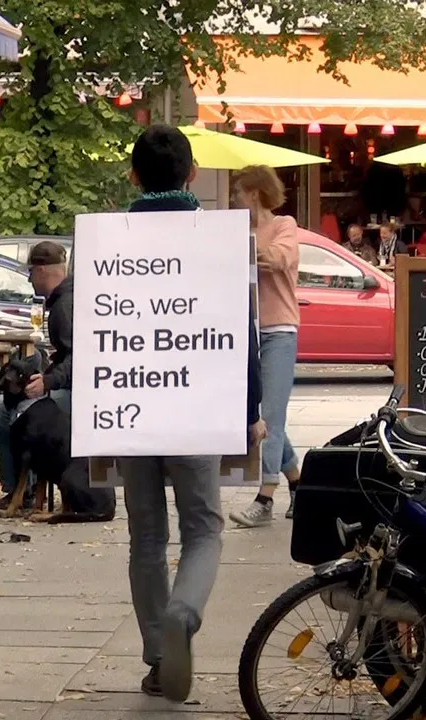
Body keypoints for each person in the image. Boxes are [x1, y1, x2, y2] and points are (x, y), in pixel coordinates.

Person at [121, 125, 265, 703]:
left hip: (131, 404)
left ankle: (159, 657)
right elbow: (243, 330)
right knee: (203, 527)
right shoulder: (220, 241)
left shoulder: (114, 241)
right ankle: (185, 611)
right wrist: (250, 408)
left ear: (133, 177)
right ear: (193, 175)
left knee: (146, 536)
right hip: (199, 403)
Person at [228, 165, 302, 528]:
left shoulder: (284, 226)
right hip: (245, 332)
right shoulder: (235, 230)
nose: (233, 199)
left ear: (254, 194)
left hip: (278, 331)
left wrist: (242, 246)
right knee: (264, 412)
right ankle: (299, 485)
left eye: (238, 192)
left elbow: (277, 258)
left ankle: (265, 497)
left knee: (269, 416)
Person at [0, 241, 73, 505]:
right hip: (69, 386)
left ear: (43, 270)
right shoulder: (63, 299)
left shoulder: (64, 306)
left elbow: (80, 357)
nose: (29, 278)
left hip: (77, 395)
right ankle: (24, 487)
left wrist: (47, 382)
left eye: (31, 272)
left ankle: (20, 490)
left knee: (3, 409)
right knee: (1, 405)